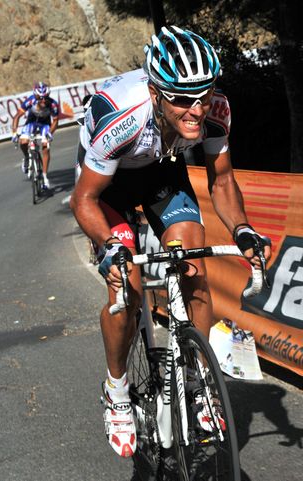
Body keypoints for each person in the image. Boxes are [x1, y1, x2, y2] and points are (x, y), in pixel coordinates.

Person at [70, 25, 271, 458]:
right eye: (182, 98)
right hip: (108, 187)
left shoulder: (214, 109)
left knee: (194, 266)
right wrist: (110, 246)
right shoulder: (119, 114)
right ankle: (117, 388)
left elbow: (222, 181)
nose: (196, 110)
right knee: (129, 287)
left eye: (204, 94)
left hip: (161, 171)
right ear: (155, 92)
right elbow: (83, 198)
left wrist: (242, 229)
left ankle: (198, 384)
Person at [11, 82, 59, 189]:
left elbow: (55, 121)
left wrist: (50, 133)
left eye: (45, 97)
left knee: (45, 147)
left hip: (45, 125)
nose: (43, 100)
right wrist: (14, 133)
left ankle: (45, 177)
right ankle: (27, 158)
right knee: (23, 142)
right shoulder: (30, 101)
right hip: (31, 123)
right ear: (35, 96)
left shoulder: (53, 104)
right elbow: (17, 116)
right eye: (40, 97)